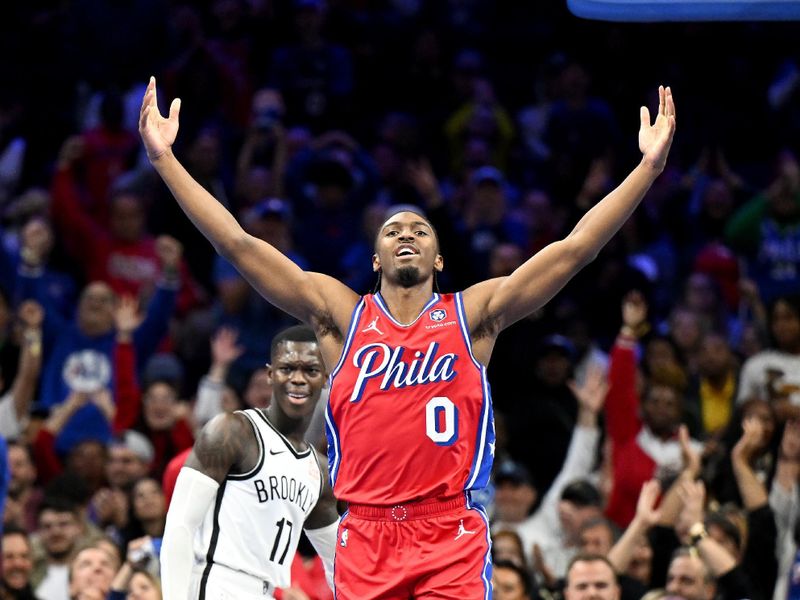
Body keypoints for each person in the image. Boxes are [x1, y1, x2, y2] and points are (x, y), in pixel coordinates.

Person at [140, 77, 676, 598]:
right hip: (366, 534)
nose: (406, 235)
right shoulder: (342, 317)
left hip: (449, 530)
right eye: (393, 231)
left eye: (419, 230)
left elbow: (574, 248)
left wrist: (647, 169)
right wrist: (165, 161)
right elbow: (238, 243)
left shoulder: (473, 317)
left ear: (438, 259)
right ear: (375, 259)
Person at [158, 325, 339, 600]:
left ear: (325, 379)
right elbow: (180, 525)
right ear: (270, 374)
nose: (298, 379)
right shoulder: (233, 431)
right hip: (216, 583)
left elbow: (340, 565)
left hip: (267, 592)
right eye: (287, 368)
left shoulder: (319, 472)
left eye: (310, 370)